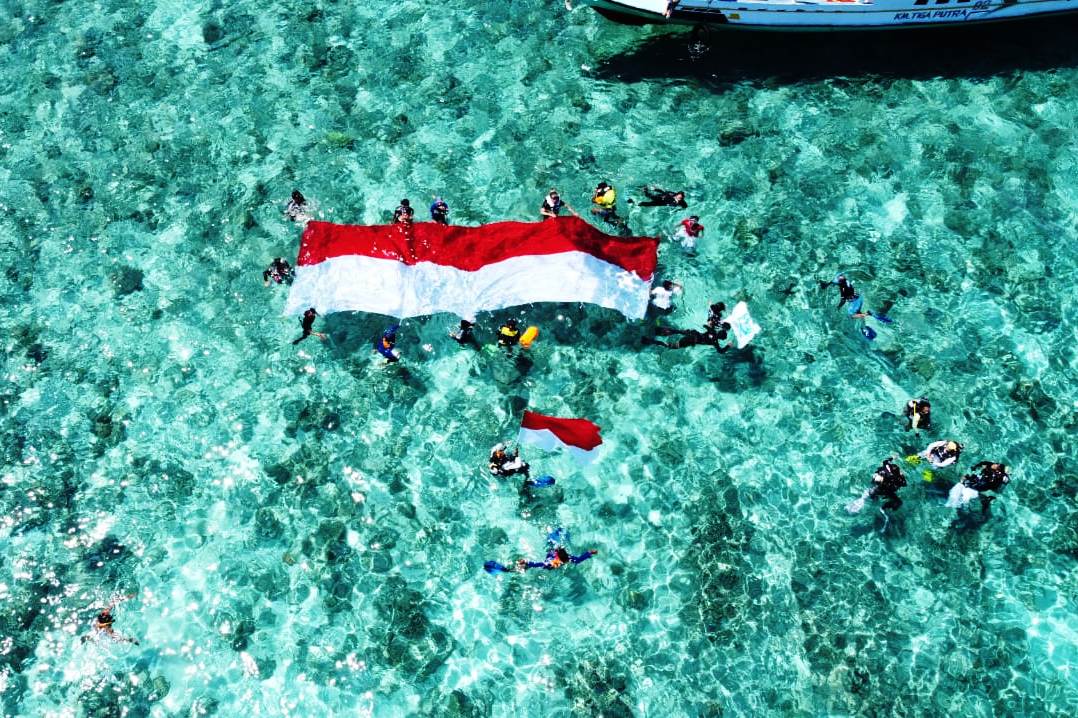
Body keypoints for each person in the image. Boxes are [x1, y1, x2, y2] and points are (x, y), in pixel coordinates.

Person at [484, 527, 597, 574]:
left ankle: (506, 570)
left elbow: (578, 560)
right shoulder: (556, 561)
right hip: (547, 555)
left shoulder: (562, 559)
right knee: (522, 568)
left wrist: (589, 553)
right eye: (558, 562)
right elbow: (537, 564)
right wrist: (526, 562)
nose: (558, 564)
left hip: (549, 556)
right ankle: (506, 569)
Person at [651, 324, 730, 352]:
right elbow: (721, 351)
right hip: (691, 340)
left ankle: (658, 330)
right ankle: (653, 342)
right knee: (672, 346)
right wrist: (728, 346)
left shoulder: (712, 331)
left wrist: (709, 326)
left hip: (693, 333)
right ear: (721, 339)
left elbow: (705, 325)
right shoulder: (715, 342)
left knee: (676, 331)